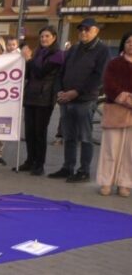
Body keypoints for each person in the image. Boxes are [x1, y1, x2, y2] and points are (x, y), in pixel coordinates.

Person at [50, 18, 110, 183]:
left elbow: (99, 77)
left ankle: (84, 171)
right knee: (68, 136)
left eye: (87, 29)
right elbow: (61, 71)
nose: (83, 32)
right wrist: (60, 91)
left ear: (96, 31)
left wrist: (76, 92)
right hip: (66, 100)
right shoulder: (74, 48)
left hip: (85, 100)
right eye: (81, 29)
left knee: (85, 137)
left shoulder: (102, 50)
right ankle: (68, 167)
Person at [20, 26, 63, 176]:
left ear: (54, 37)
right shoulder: (38, 53)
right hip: (31, 96)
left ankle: (40, 164)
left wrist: (29, 59)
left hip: (44, 98)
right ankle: (30, 160)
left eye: (47, 36)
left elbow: (41, 72)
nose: (44, 39)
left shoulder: (57, 55)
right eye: (42, 36)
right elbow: (29, 72)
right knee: (29, 132)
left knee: (40, 132)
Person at [95, 32, 132, 197]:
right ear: (123, 44)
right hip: (115, 110)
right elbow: (108, 84)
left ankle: (125, 183)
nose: (131, 44)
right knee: (111, 148)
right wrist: (126, 99)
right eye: (129, 42)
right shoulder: (114, 63)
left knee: (130, 152)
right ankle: (106, 182)